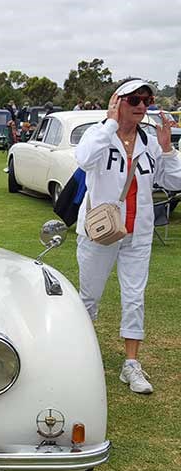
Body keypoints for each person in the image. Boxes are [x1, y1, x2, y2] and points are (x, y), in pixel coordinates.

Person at [75, 79, 181, 394]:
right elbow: (83, 159)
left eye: (146, 101)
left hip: (138, 232)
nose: (141, 107)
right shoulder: (99, 134)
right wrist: (109, 123)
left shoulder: (149, 140)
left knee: (134, 297)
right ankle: (81, 355)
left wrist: (168, 149)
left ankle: (131, 365)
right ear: (118, 102)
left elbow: (173, 180)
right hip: (101, 231)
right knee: (89, 297)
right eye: (134, 99)